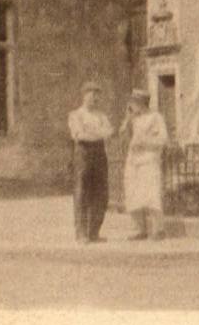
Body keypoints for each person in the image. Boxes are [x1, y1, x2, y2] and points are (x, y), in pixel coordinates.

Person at [67, 80, 114, 244]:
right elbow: (79, 135)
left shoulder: (102, 116)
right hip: (83, 154)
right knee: (82, 192)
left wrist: (92, 132)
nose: (95, 98)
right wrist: (98, 133)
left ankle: (94, 232)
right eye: (91, 94)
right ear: (84, 95)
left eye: (97, 95)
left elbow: (109, 132)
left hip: (100, 153)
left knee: (101, 192)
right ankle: (81, 233)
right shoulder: (76, 115)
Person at [123, 88, 169, 240]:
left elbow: (163, 139)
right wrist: (127, 119)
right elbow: (123, 136)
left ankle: (158, 230)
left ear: (141, 102)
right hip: (133, 160)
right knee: (133, 195)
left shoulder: (156, 117)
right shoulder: (134, 119)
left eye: (134, 102)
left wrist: (145, 143)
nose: (131, 105)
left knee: (151, 195)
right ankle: (140, 229)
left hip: (149, 159)